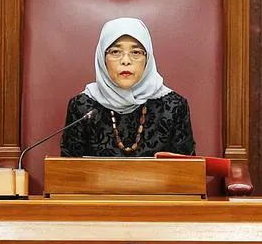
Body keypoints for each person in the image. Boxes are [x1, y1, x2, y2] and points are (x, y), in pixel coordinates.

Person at [60, 17, 195, 157]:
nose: (126, 61)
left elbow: (187, 172)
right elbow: (67, 172)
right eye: (115, 52)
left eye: (135, 52)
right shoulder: (82, 107)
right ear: (102, 58)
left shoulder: (174, 106)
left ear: (147, 59)